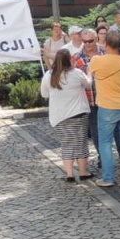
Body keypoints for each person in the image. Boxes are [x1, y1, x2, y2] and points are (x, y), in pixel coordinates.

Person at [89, 31, 120, 188]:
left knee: (105, 143)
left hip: (107, 107)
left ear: (106, 44)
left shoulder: (97, 60)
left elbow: (91, 73)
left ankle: (108, 177)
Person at [40, 49, 93, 181]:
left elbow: (44, 94)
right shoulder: (76, 73)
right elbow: (88, 84)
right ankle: (83, 172)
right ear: (69, 60)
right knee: (81, 142)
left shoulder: (49, 75)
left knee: (67, 144)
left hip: (59, 116)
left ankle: (69, 174)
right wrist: (90, 73)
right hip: (78, 113)